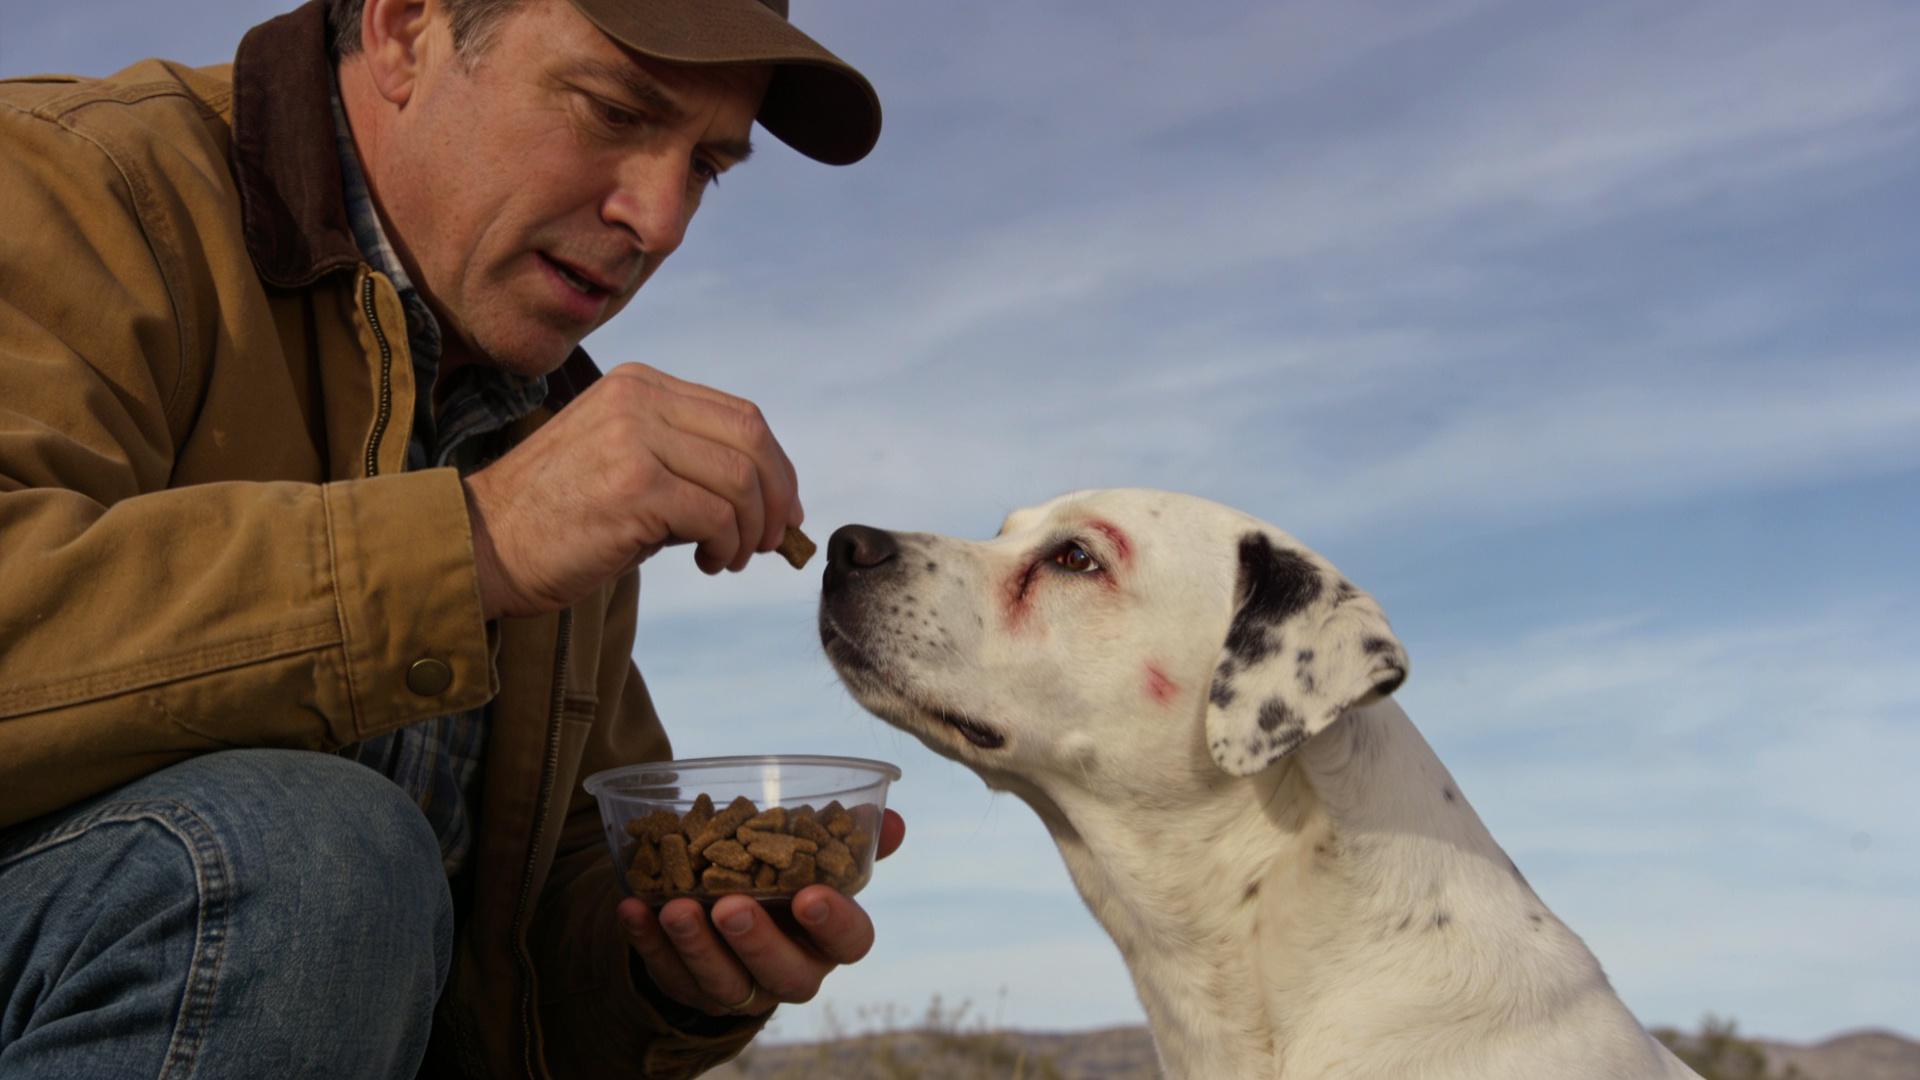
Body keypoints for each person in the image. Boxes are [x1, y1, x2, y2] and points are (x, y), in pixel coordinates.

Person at [0, 0, 900, 1075]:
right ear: (403, 30)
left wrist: (663, 968)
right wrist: (472, 540)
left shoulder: (547, 426)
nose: (660, 220)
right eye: (613, 110)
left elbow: (498, 962)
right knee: (311, 855)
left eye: (705, 166)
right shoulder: (66, 182)